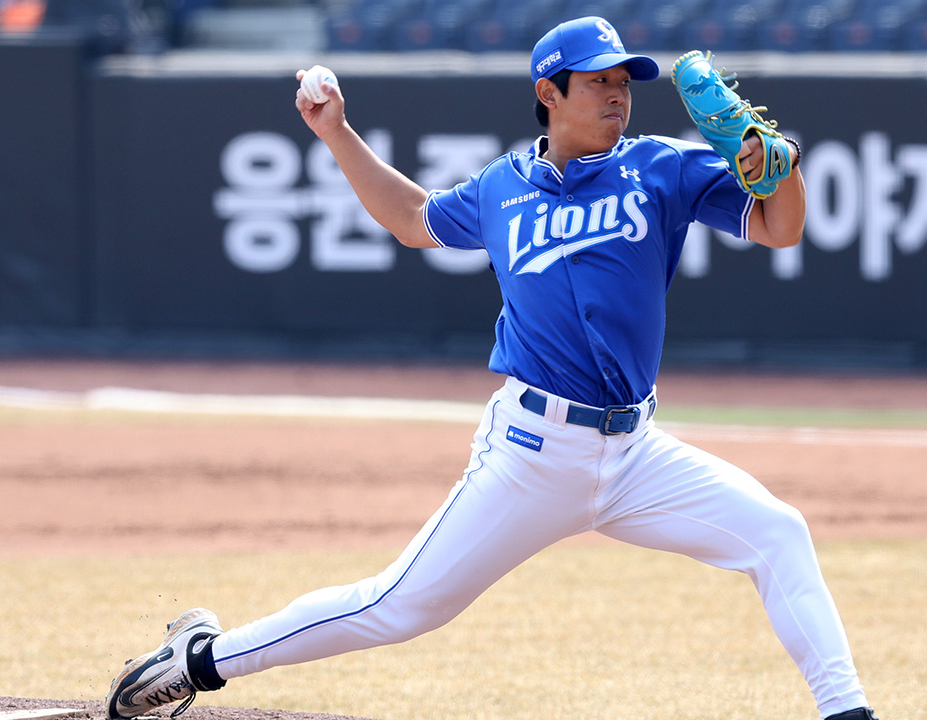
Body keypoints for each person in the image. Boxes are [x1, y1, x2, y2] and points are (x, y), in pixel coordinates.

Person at [104, 16, 879, 720]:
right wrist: (336, 132)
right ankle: (200, 660)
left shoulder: (661, 168)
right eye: (599, 81)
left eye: (624, 81)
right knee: (399, 606)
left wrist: (776, 168)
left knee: (777, 532)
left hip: (637, 453)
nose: (618, 94)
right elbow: (413, 219)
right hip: (533, 454)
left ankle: (847, 712)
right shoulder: (503, 188)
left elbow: (779, 227)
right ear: (549, 92)